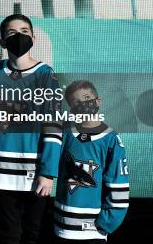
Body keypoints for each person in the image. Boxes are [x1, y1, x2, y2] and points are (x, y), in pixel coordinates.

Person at [0, 14, 62, 244]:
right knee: (9, 233)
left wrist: (48, 172)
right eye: (12, 33)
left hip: (35, 169)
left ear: (34, 38)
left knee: (32, 232)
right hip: (2, 168)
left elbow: (54, 125)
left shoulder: (46, 75)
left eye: (25, 32)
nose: (19, 37)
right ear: (3, 41)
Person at [54, 80, 130, 243]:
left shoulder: (111, 140)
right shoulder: (65, 133)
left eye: (87, 97)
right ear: (71, 108)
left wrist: (106, 223)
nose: (83, 104)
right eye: (76, 102)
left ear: (98, 101)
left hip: (93, 231)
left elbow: (119, 186)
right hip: (61, 227)